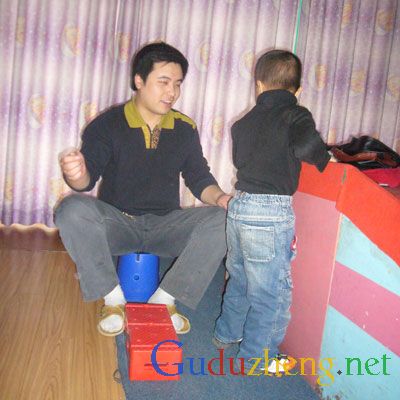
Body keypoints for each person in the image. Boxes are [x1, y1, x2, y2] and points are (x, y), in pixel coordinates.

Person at [55, 42, 231, 337]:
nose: (172, 92)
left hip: (166, 226)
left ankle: (165, 300)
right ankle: (113, 301)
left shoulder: (184, 128)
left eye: (177, 84)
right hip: (118, 224)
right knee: (71, 209)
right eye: (163, 82)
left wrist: (222, 198)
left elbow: (199, 178)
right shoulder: (107, 124)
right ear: (139, 80)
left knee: (226, 219)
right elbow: (86, 181)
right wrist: (77, 173)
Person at [213, 49, 330, 374]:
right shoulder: (296, 114)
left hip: (239, 207)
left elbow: (241, 160)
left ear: (259, 85)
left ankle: (226, 334)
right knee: (271, 293)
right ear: (298, 90)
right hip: (270, 213)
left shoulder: (243, 123)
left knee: (239, 278)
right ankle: (257, 357)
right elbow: (307, 147)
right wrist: (325, 159)